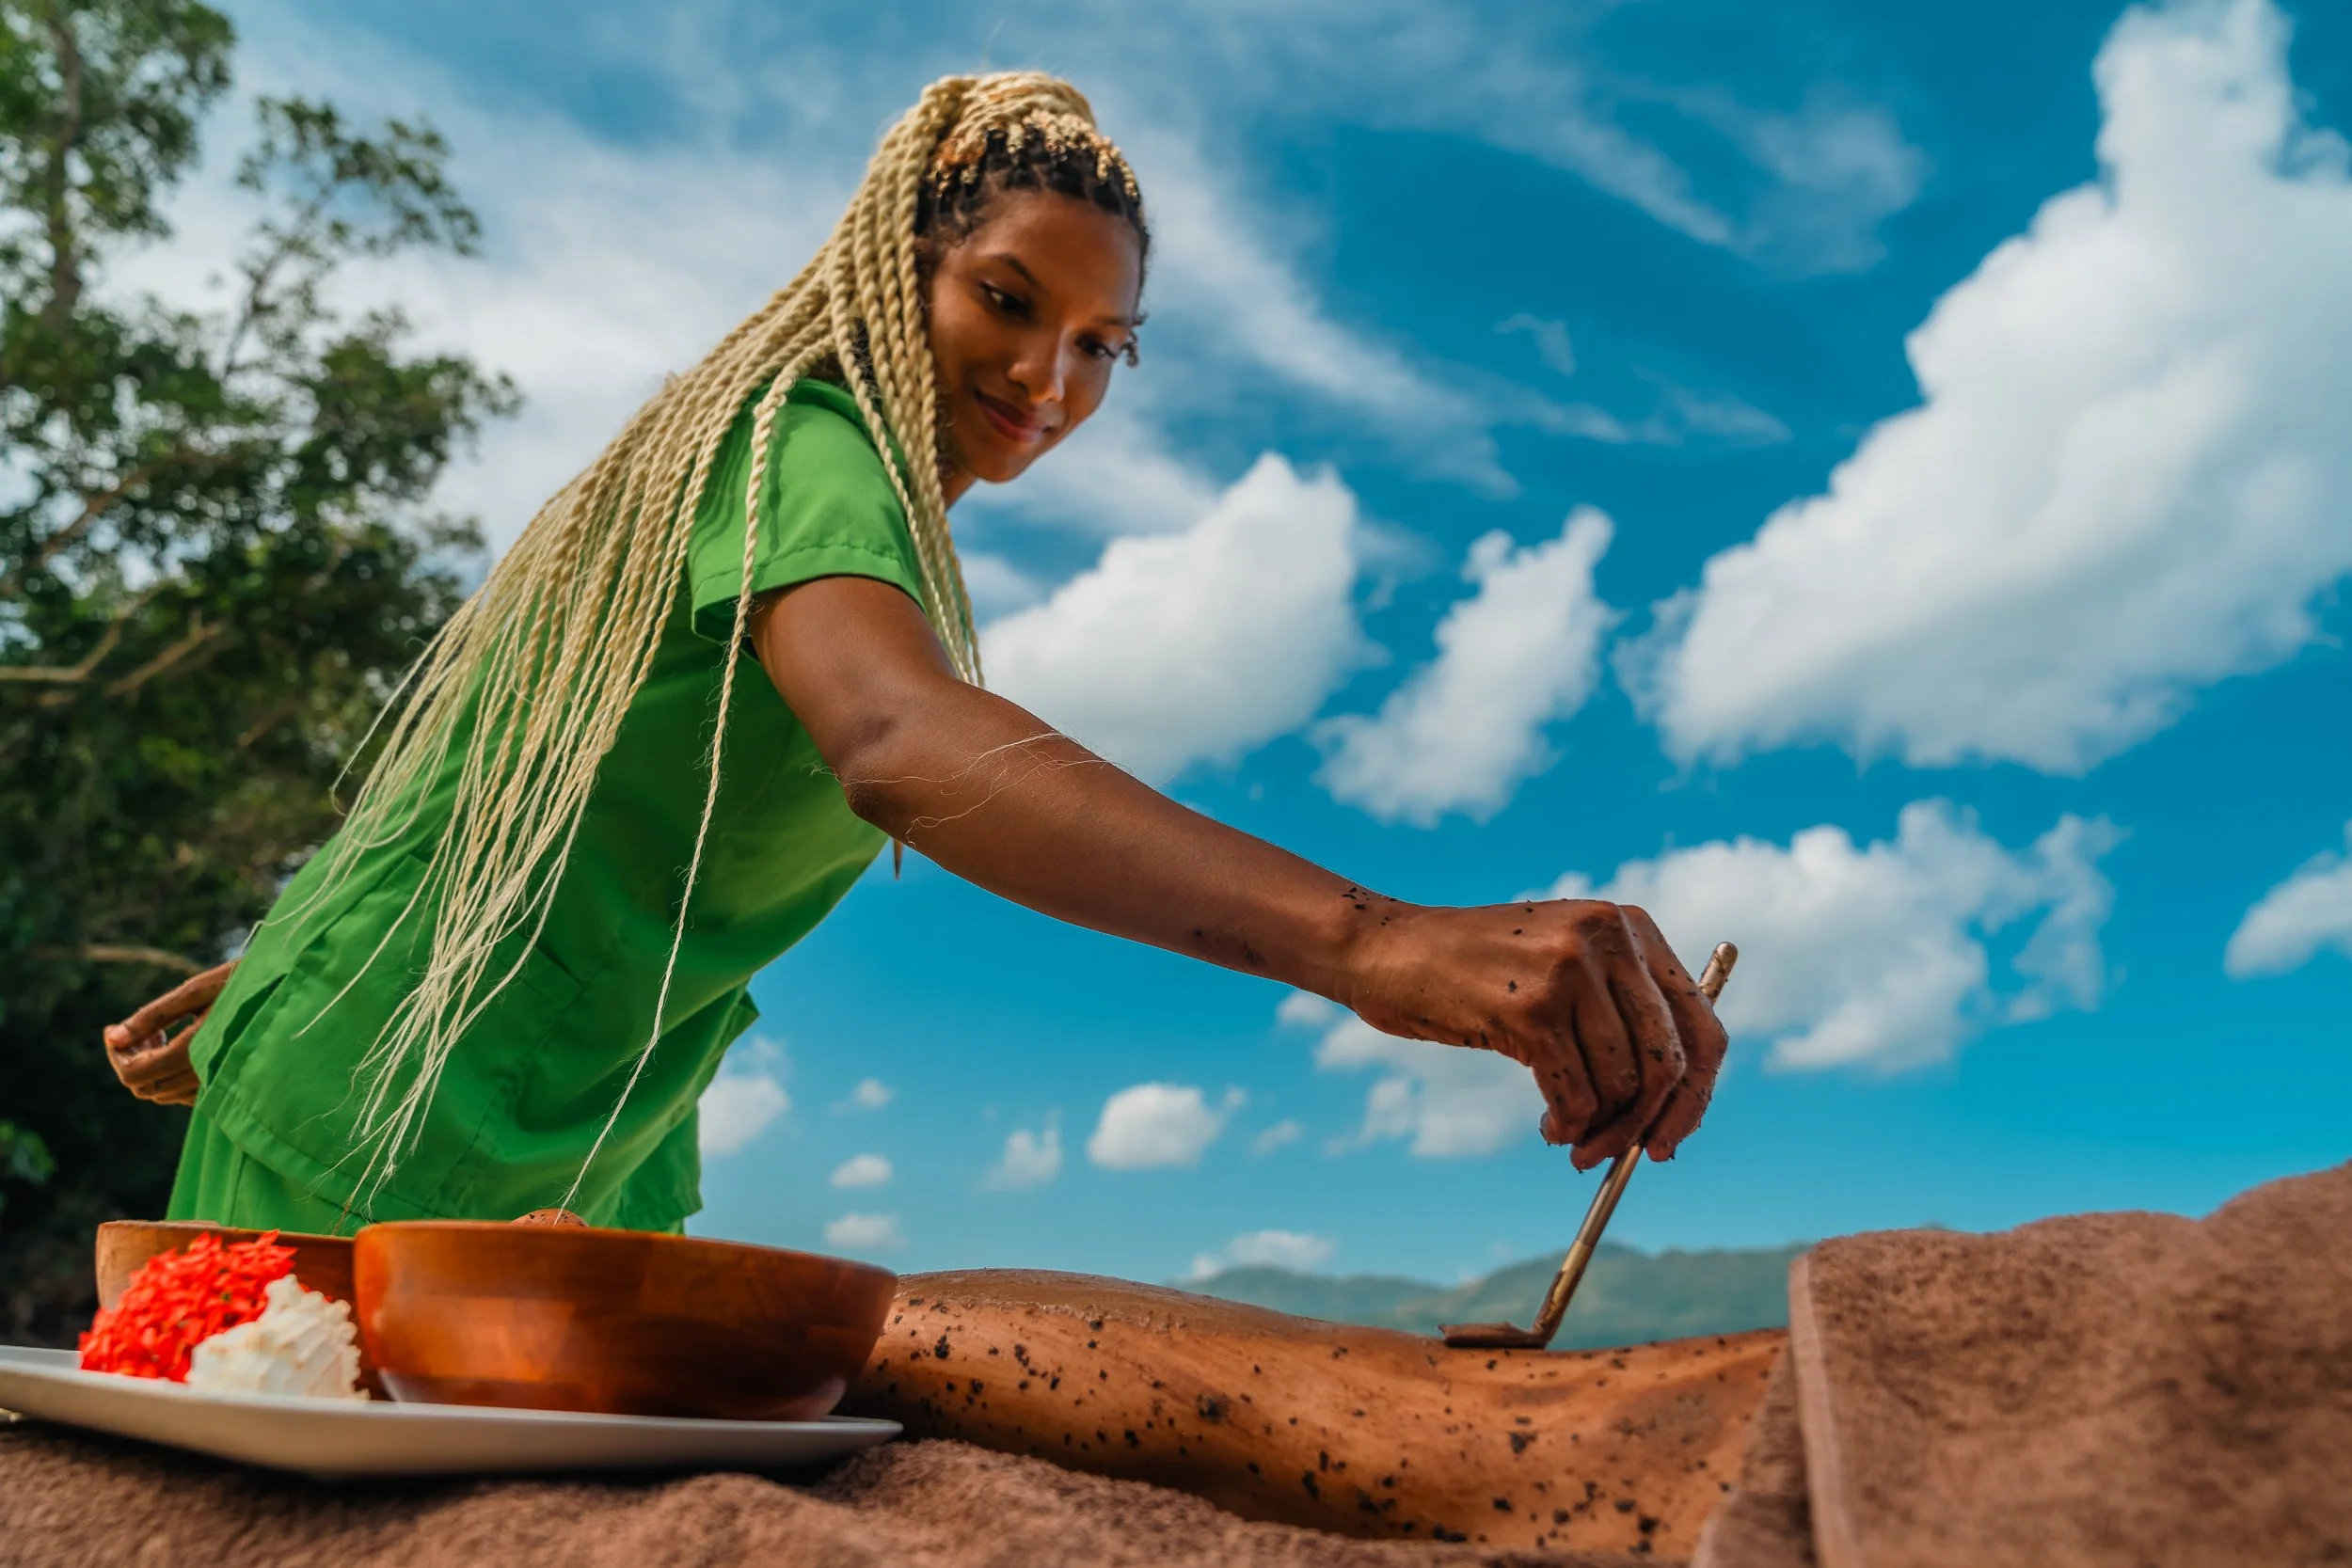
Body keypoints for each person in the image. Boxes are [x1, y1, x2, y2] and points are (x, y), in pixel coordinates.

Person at [103, 72, 1726, 1237]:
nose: (1050, 376)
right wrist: (1374, 941)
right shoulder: (793, 437)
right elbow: (891, 738)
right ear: (905, 268)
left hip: (591, 1137)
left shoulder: (862, 529)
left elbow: (578, 755)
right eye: (1009, 300)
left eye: (1104, 345)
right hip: (390, 1103)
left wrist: (287, 951)